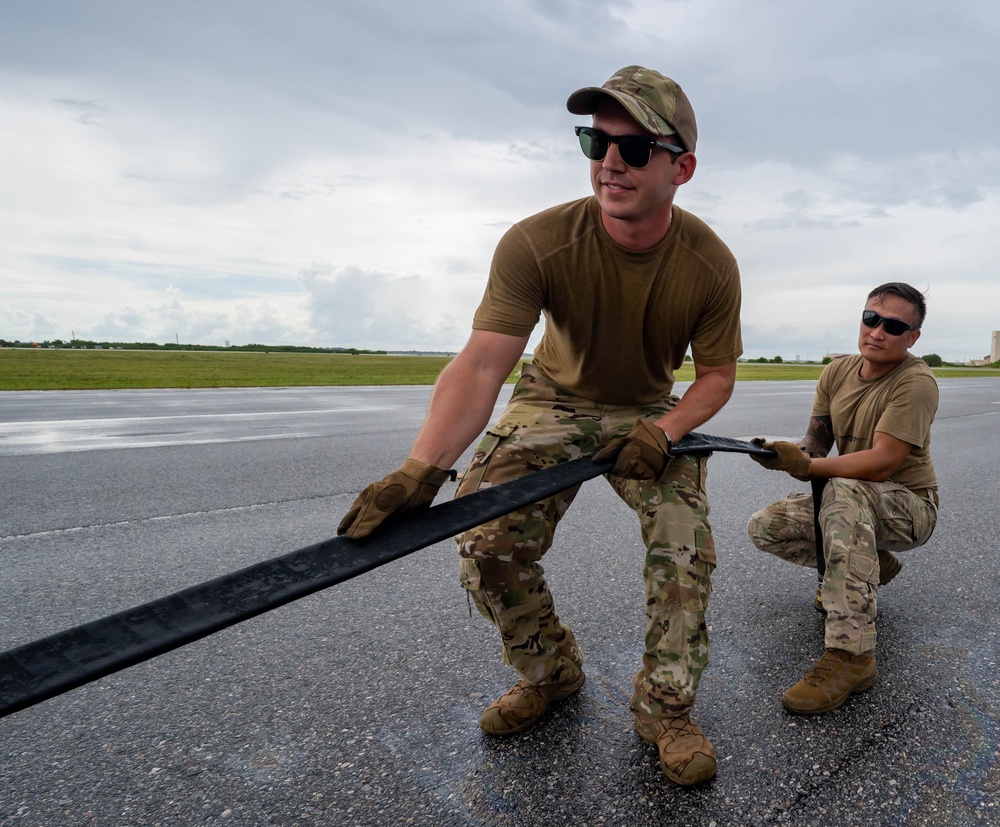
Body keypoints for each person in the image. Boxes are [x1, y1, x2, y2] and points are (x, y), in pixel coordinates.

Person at [338, 66, 742, 786]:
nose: (609, 161)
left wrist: (667, 428)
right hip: (551, 400)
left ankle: (666, 707)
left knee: (683, 550)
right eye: (595, 140)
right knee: (485, 537)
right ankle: (549, 669)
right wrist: (421, 468)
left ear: (681, 167)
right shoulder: (537, 241)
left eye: (634, 148)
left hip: (650, 410)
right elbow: (483, 363)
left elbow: (716, 376)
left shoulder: (709, 265)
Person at [747, 282, 939, 715]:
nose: (877, 331)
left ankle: (852, 656)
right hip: (852, 505)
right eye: (871, 318)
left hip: (910, 507)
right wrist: (788, 455)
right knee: (766, 526)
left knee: (843, 489)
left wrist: (807, 468)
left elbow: (882, 463)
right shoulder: (836, 372)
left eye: (893, 326)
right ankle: (868, 563)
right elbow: (816, 443)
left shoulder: (916, 382)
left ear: (912, 337)